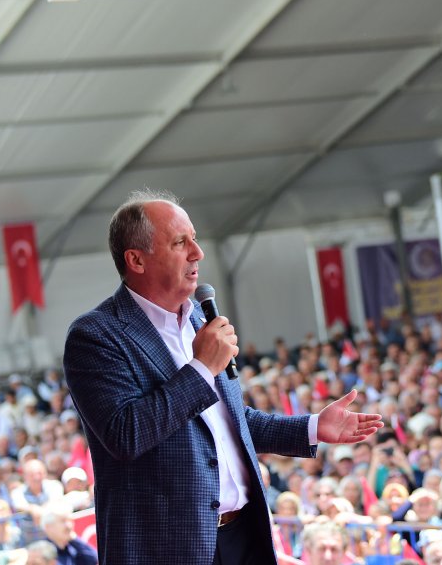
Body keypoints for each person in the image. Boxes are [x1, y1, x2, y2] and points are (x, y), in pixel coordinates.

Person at [63, 190, 383, 565]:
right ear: (136, 259)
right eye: (180, 242)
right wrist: (201, 369)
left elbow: (232, 422)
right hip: (166, 548)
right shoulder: (97, 335)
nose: (197, 253)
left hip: (241, 537)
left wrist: (313, 427)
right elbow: (126, 434)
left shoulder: (200, 319)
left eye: (194, 239)